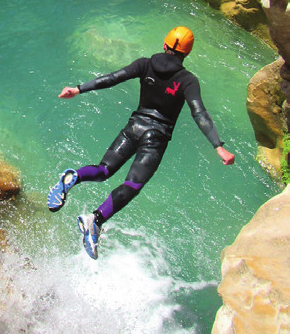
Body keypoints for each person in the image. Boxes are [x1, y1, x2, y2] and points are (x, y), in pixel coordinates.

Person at [48, 26, 235, 260]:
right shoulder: (187, 80)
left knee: (103, 170)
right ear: (187, 53)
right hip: (155, 138)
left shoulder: (144, 64)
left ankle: (72, 177)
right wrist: (217, 145)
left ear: (164, 44)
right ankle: (94, 221)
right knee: (132, 185)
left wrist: (78, 89)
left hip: (133, 128)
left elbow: (112, 78)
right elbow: (199, 113)